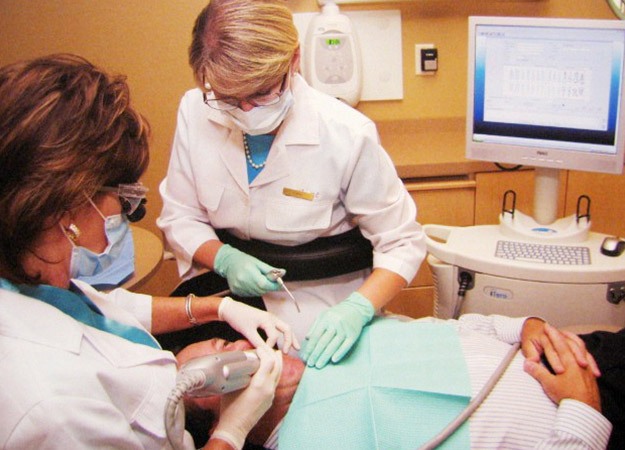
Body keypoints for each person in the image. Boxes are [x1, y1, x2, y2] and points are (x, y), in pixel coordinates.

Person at [0, 53, 300, 450]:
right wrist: (232, 430)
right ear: (64, 210)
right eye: (121, 199)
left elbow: (105, 312)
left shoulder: (32, 277)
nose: (127, 215)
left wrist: (217, 309)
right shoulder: (52, 406)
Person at [157, 0, 426, 368]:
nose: (245, 111)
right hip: (232, 303)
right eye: (228, 98)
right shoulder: (195, 110)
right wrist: (224, 257)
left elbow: (402, 240)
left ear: (294, 60)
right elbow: (180, 215)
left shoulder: (346, 133)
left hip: (323, 309)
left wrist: (358, 308)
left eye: (260, 93)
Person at [177, 314, 623, 450]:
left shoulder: (331, 340)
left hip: (584, 354)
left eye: (222, 342)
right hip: (594, 426)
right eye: (222, 370)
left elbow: (467, 325)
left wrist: (527, 327)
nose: (240, 349)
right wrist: (584, 410)